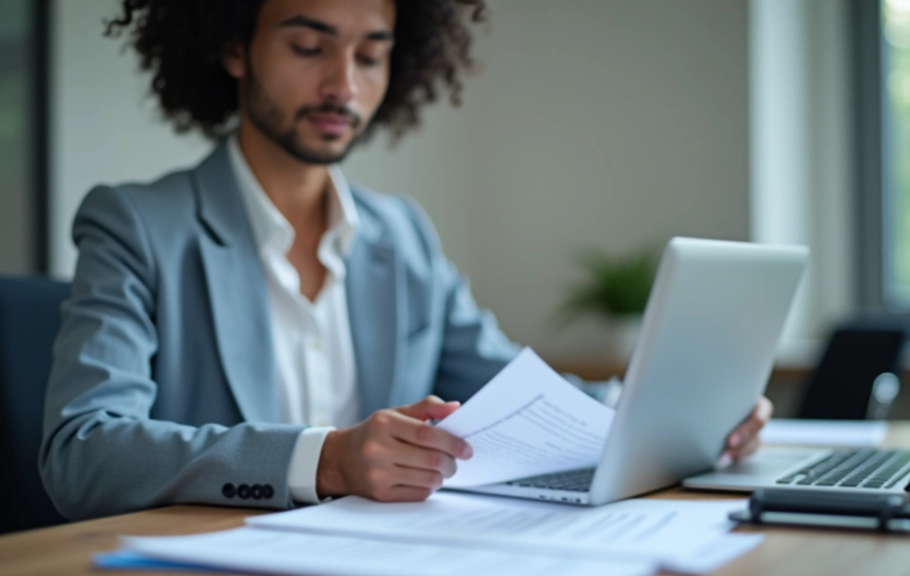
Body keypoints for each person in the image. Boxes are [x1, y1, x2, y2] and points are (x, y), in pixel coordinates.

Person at [40, 0, 772, 521]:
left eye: (371, 53)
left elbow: (514, 388)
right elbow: (83, 451)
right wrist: (325, 459)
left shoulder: (402, 238)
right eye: (308, 46)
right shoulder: (136, 224)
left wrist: (676, 412)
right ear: (235, 46)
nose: (343, 85)